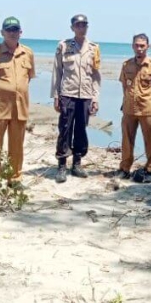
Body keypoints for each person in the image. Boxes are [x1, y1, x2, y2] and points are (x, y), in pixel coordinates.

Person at [0, 16, 35, 184]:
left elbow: (28, 78)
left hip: (20, 107)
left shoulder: (28, 53)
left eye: (15, 30)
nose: (12, 33)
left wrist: (16, 90)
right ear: (2, 32)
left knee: (17, 146)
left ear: (20, 32)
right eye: (9, 30)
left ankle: (14, 178)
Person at [51, 14, 101, 183]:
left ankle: (77, 163)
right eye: (78, 25)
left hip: (85, 95)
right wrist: (56, 95)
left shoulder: (94, 48)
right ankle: (62, 165)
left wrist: (95, 98)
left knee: (81, 129)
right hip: (67, 94)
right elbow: (57, 72)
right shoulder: (64, 46)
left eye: (84, 25)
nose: (81, 28)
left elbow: (95, 75)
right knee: (65, 129)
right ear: (72, 27)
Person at [117, 33, 151, 180]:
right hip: (129, 108)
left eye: (142, 45)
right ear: (132, 46)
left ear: (147, 46)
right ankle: (124, 168)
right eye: (136, 45)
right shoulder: (126, 65)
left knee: (150, 140)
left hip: (147, 108)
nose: (139, 48)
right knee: (127, 140)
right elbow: (124, 85)